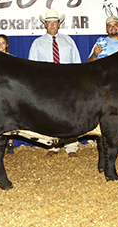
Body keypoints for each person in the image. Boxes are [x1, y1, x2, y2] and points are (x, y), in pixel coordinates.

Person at [29, 9, 82, 157]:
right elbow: (32, 68)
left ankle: (71, 146)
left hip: (68, 84)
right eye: (49, 22)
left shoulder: (68, 41)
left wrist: (77, 83)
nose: (52, 25)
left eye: (55, 22)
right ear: (45, 24)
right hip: (47, 85)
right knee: (50, 115)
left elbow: (77, 63)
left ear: (59, 24)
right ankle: (52, 145)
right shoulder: (37, 43)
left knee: (71, 115)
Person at [87, 16, 118, 156]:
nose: (113, 27)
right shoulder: (100, 43)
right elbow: (89, 62)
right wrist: (95, 55)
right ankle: (105, 145)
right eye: (110, 25)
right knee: (104, 115)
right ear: (106, 28)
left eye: (115, 25)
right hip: (105, 86)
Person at [0, 34, 15, 155]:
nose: (1, 45)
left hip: (9, 91)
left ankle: (10, 143)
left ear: (7, 45)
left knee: (10, 119)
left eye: (3, 43)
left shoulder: (12, 59)